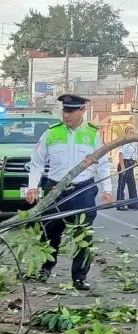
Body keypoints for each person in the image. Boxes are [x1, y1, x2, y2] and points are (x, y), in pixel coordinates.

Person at [26, 94, 112, 291]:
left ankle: (79, 277)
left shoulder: (92, 134)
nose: (67, 115)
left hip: (83, 189)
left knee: (83, 235)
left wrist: (108, 190)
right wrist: (33, 187)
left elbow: (104, 164)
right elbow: (37, 162)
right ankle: (45, 268)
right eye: (65, 111)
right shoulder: (51, 133)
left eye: (71, 111)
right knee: (49, 232)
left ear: (82, 110)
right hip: (55, 189)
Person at [116, 128, 137, 211]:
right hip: (124, 164)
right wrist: (122, 167)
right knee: (122, 185)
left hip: (131, 164)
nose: (131, 133)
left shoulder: (134, 143)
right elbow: (121, 154)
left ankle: (133, 203)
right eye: (130, 132)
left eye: (132, 132)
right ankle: (120, 204)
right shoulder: (124, 142)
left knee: (132, 185)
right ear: (126, 133)